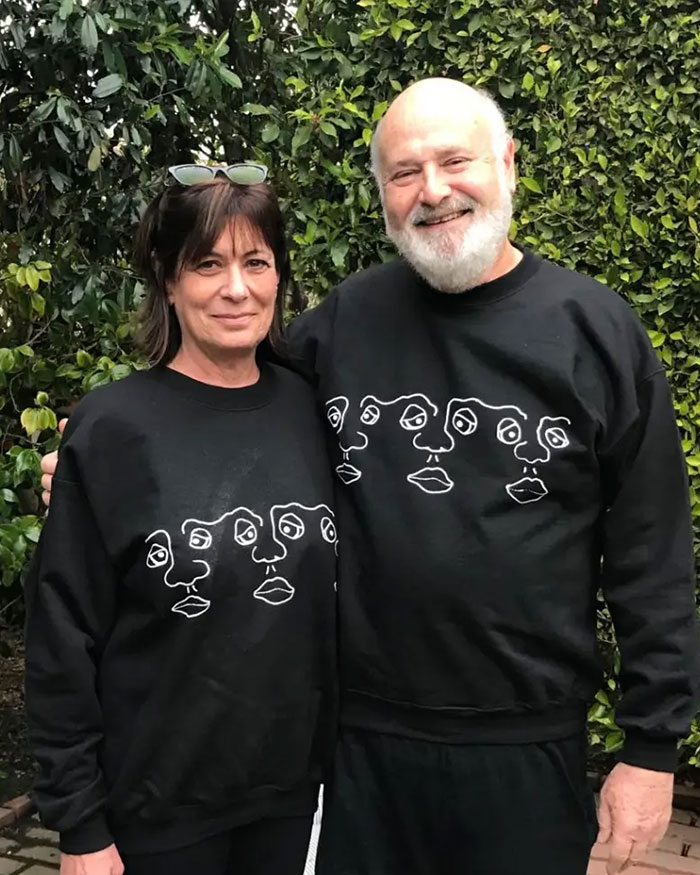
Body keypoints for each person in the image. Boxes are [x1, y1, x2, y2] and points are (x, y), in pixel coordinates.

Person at [41, 79, 700, 875]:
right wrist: (97, 472)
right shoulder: (345, 324)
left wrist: (651, 748)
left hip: (525, 750)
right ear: (383, 193)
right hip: (356, 754)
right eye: (403, 172)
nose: (434, 191)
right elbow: (218, 402)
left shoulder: (596, 334)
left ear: (508, 163)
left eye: (455, 161)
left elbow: (652, 556)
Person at [25, 165, 338, 875]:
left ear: (279, 277)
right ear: (168, 280)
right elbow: (61, 636)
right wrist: (79, 825)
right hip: (156, 810)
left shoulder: (313, 410)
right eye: (208, 264)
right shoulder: (112, 428)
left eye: (256, 262)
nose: (236, 287)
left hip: (292, 799)